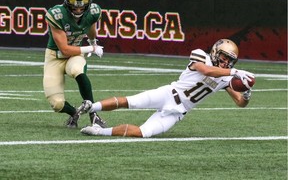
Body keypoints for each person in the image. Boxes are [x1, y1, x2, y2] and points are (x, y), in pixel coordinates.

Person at [79, 39, 254, 138]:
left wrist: (245, 93)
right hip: (168, 94)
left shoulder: (225, 76)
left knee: (143, 133)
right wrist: (233, 71)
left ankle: (99, 131)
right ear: (216, 52)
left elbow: (240, 102)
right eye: (224, 58)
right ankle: (91, 106)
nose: (226, 63)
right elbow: (205, 70)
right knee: (130, 102)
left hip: (179, 111)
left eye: (229, 61)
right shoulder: (201, 55)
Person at [43, 0, 107, 129]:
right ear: (67, 4)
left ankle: (94, 114)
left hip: (75, 54)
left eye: (81, 7)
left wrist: (93, 41)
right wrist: (92, 48)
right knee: (57, 104)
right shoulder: (57, 14)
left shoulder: (93, 11)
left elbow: (90, 26)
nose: (78, 10)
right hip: (55, 56)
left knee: (77, 70)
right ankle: (75, 113)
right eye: (74, 7)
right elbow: (65, 50)